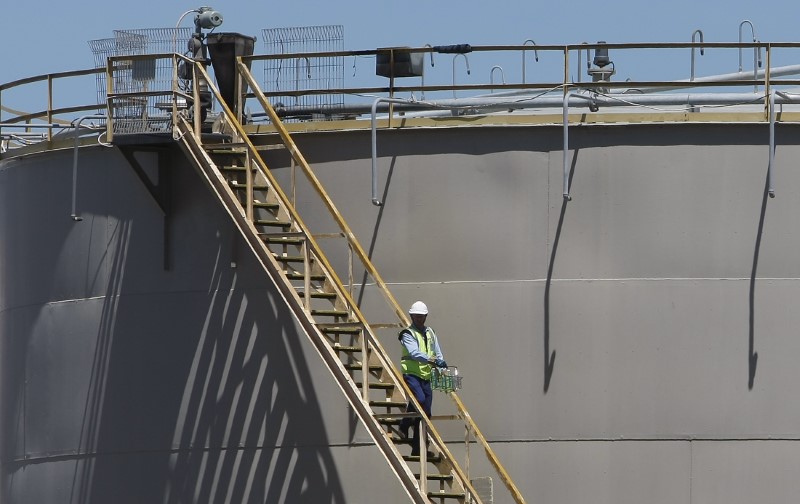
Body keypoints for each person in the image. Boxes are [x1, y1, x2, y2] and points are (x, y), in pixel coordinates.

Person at [398, 301, 447, 456]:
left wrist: (441, 366)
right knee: (419, 400)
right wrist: (433, 361)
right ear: (411, 316)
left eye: (422, 316)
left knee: (426, 412)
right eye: (417, 316)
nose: (419, 319)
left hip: (426, 376)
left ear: (426, 316)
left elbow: (437, 351)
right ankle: (404, 425)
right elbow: (415, 353)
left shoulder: (430, 332)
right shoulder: (407, 334)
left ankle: (417, 448)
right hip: (411, 374)